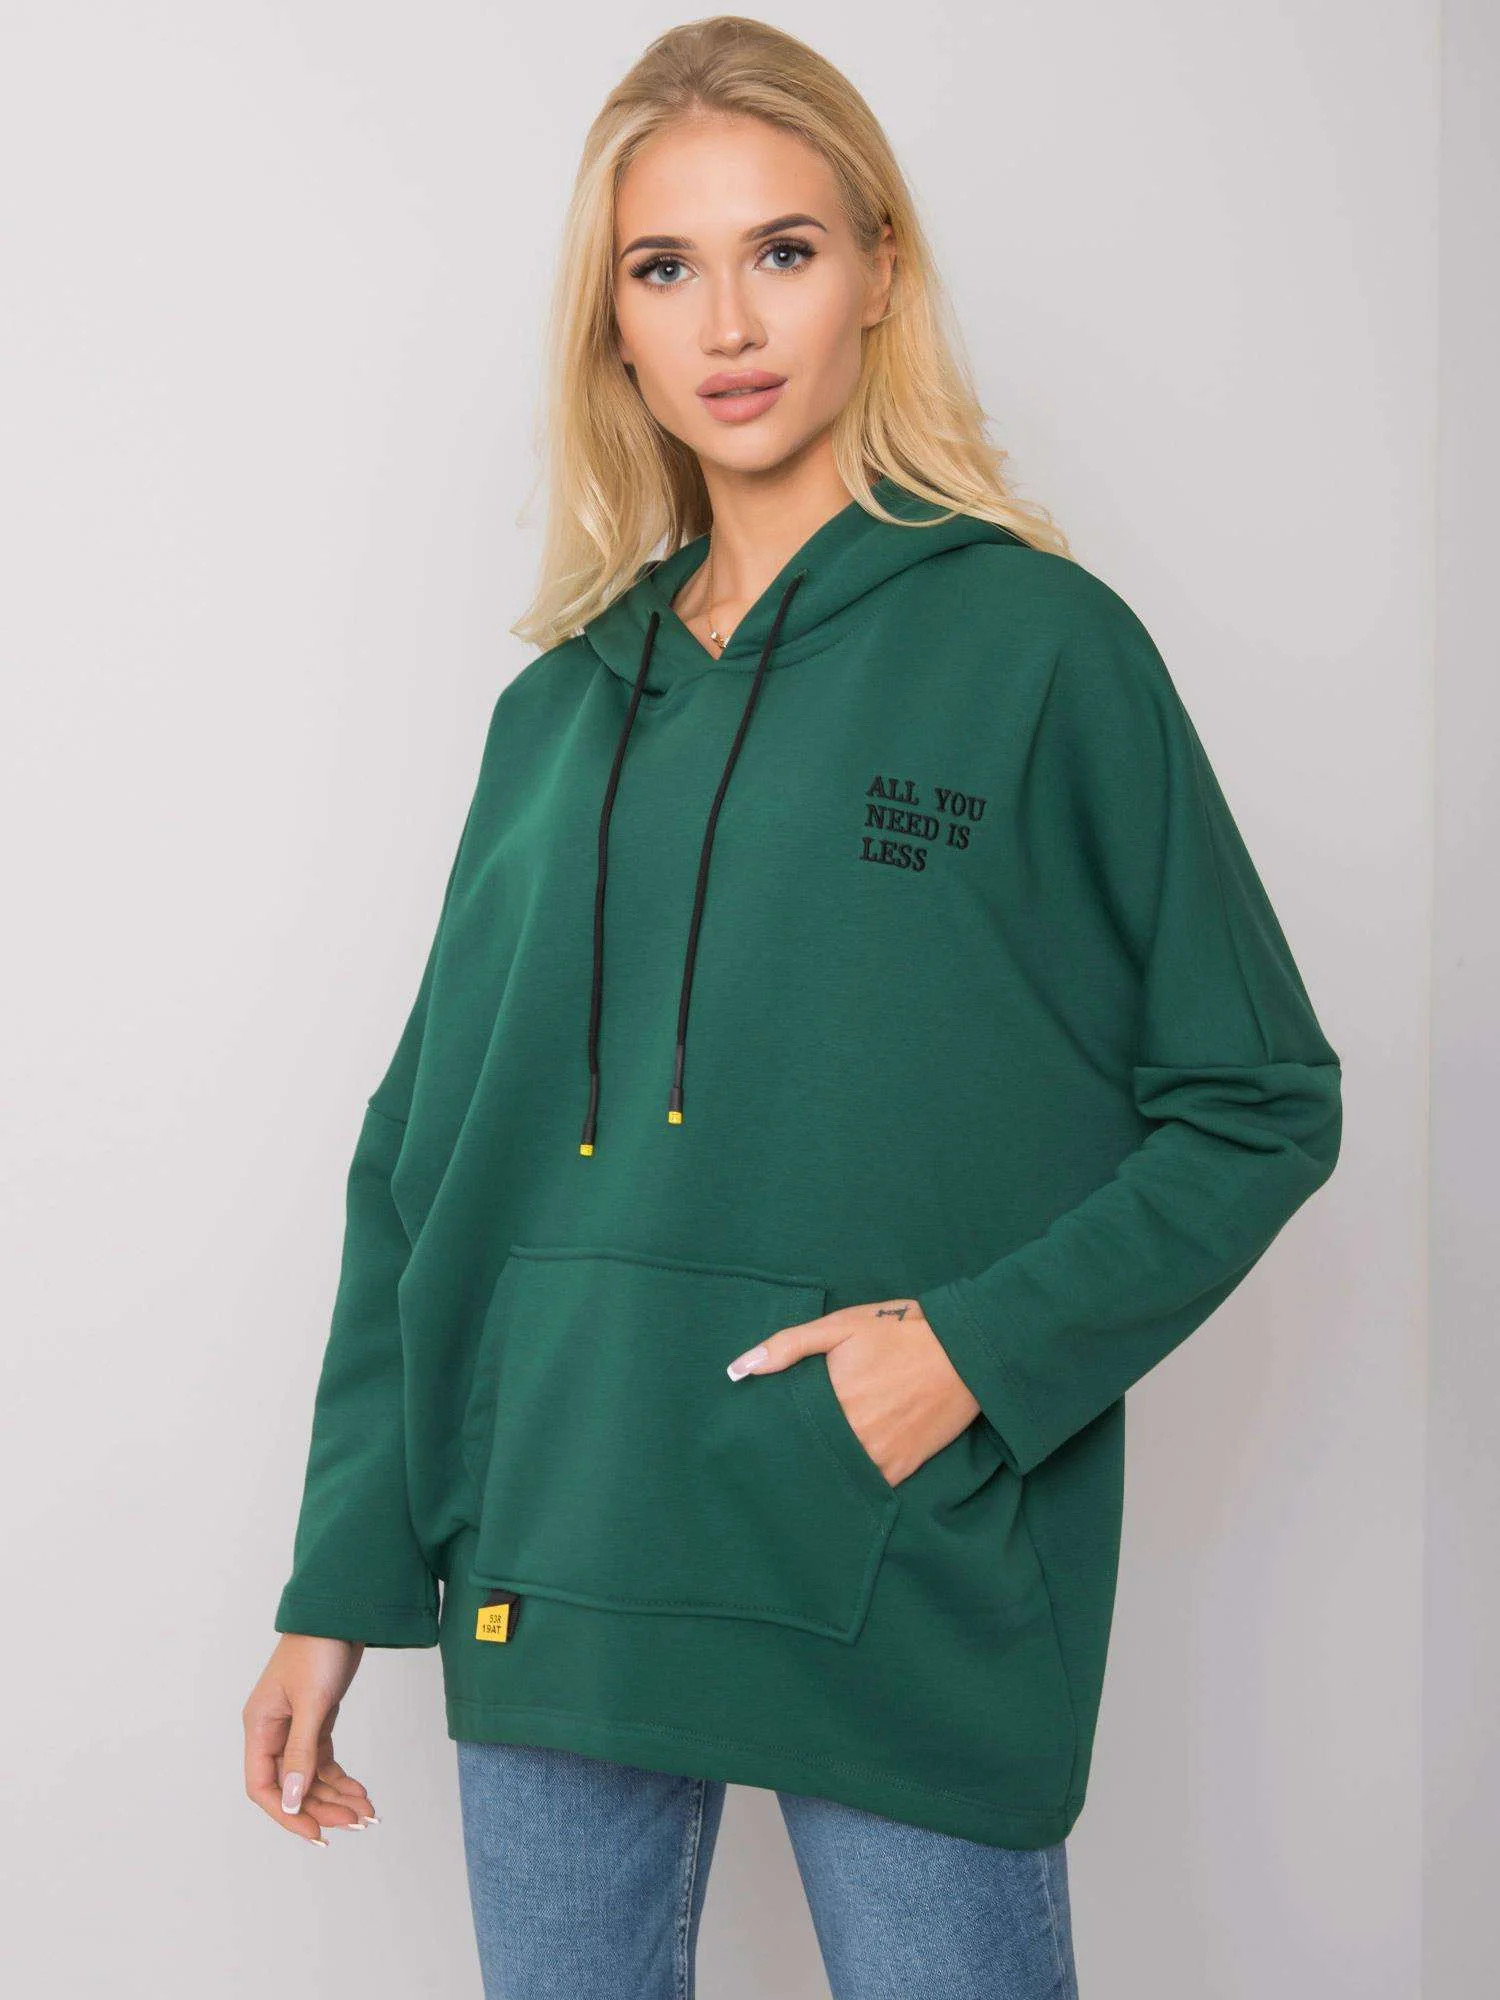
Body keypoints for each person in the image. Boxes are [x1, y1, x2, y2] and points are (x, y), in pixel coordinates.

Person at [241, 17, 1342, 1998]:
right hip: (559, 1552)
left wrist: (972, 1356)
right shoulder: (555, 713)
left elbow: (1261, 1098)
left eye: (786, 250)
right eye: (665, 268)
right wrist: (337, 1581)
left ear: (880, 275)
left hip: (896, 1547)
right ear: (612, 327)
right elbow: (423, 1168)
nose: (730, 322)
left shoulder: (1041, 648)